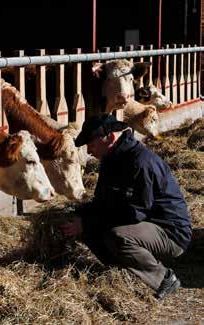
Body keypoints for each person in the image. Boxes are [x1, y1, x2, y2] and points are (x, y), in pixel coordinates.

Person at [60, 114, 192, 300]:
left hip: (170, 231)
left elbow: (133, 213)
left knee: (117, 236)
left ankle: (163, 278)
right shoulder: (110, 160)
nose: (89, 151)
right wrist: (78, 214)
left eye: (92, 144)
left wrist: (87, 223)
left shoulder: (140, 162)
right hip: (144, 224)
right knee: (91, 226)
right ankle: (125, 270)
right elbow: (103, 203)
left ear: (111, 138)